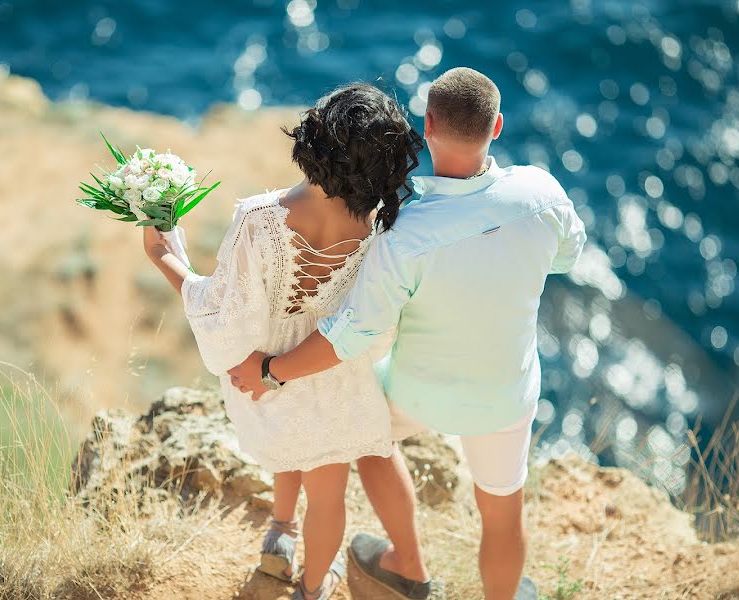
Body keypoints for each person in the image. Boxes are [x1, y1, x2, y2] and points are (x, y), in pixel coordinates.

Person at [229, 67, 587, 600]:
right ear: (497, 127)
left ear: (429, 125)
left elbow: (347, 337)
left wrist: (268, 371)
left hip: (417, 392)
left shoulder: (404, 230)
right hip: (502, 397)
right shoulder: (543, 194)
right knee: (503, 516)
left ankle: (408, 567)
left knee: (368, 435)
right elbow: (568, 256)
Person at [142, 83, 425, 600]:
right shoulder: (385, 223)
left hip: (268, 371)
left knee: (287, 445)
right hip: (336, 374)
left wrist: (165, 255)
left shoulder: (259, 218)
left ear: (313, 143)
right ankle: (312, 588)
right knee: (330, 496)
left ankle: (280, 531)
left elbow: (223, 308)